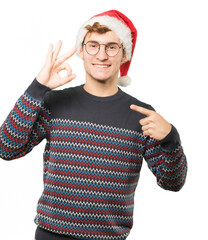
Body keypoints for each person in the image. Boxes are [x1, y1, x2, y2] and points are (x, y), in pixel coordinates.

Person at [0, 10, 187, 240]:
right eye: (93, 45)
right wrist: (38, 87)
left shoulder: (142, 115)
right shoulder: (54, 103)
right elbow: (6, 148)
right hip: (50, 234)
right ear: (81, 51)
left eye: (111, 47)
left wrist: (170, 137)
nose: (101, 55)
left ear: (124, 54)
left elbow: (173, 182)